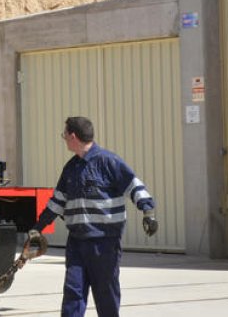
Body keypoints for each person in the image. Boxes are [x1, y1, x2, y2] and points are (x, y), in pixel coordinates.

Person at [26, 116, 157, 317]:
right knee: (73, 294)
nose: (64, 139)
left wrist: (148, 212)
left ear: (73, 136)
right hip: (77, 243)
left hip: (105, 243)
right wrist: (37, 228)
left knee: (106, 294)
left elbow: (134, 185)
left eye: (64, 135)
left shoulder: (108, 161)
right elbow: (57, 202)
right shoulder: (70, 168)